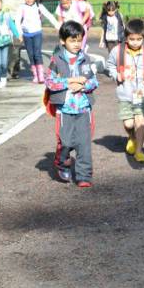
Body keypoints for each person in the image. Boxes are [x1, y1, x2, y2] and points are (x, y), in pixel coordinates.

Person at [45, 21, 98, 187]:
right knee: (65, 142)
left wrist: (83, 86)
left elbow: (94, 81)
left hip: (83, 108)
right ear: (63, 41)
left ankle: (84, 176)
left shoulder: (86, 59)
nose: (76, 44)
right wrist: (70, 81)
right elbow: (49, 82)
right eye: (72, 40)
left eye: (79, 40)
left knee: (84, 144)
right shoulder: (56, 59)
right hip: (64, 109)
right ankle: (62, 162)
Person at [106, 18, 144, 163]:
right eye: (132, 39)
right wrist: (116, 74)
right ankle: (132, 137)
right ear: (126, 37)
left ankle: (139, 151)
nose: (135, 42)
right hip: (125, 93)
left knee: (140, 120)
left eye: (139, 39)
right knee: (128, 124)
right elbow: (110, 65)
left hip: (142, 93)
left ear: (143, 37)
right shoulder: (117, 51)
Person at [15, 0, 58, 84]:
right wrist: (20, 34)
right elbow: (17, 21)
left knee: (37, 53)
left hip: (37, 33)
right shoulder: (22, 7)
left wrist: (57, 25)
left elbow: (49, 15)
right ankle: (35, 75)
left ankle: (41, 75)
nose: (29, 0)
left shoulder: (39, 6)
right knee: (31, 55)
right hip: (26, 35)